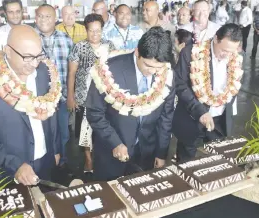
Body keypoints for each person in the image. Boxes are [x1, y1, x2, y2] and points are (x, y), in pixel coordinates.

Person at [0, 25, 60, 185]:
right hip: (6, 172)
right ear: (8, 51)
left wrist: (56, 150)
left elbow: (51, 112)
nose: (34, 64)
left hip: (45, 161)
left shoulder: (44, 72)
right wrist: (14, 165)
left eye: (38, 56)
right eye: (28, 57)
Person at [86, 27, 175, 181]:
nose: (153, 72)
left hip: (146, 153)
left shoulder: (166, 74)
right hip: (111, 151)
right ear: (137, 52)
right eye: (148, 65)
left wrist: (161, 153)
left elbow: (166, 117)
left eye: (158, 67)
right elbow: (94, 112)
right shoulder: (108, 70)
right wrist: (115, 142)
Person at [172, 24, 243, 162]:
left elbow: (234, 86)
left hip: (219, 122)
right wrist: (200, 111)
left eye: (232, 51)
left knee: (217, 163)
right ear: (215, 39)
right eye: (224, 50)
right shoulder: (191, 53)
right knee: (187, 163)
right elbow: (180, 85)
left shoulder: (235, 57)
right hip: (192, 119)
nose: (227, 55)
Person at [67, 14, 115, 175]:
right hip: (83, 97)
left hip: (104, 97)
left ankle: (100, 157)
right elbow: (72, 73)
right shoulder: (78, 47)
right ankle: (88, 158)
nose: (95, 34)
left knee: (102, 128)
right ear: (86, 31)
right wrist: (70, 96)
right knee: (83, 130)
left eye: (98, 31)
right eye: (91, 31)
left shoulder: (109, 46)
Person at [35, 4, 73, 167]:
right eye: (40, 16)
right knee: (42, 133)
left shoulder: (65, 39)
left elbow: (73, 70)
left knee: (63, 132)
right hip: (37, 101)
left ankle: (62, 162)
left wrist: (70, 95)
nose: (43, 20)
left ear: (55, 18)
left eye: (48, 16)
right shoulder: (30, 39)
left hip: (62, 98)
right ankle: (46, 163)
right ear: (35, 18)